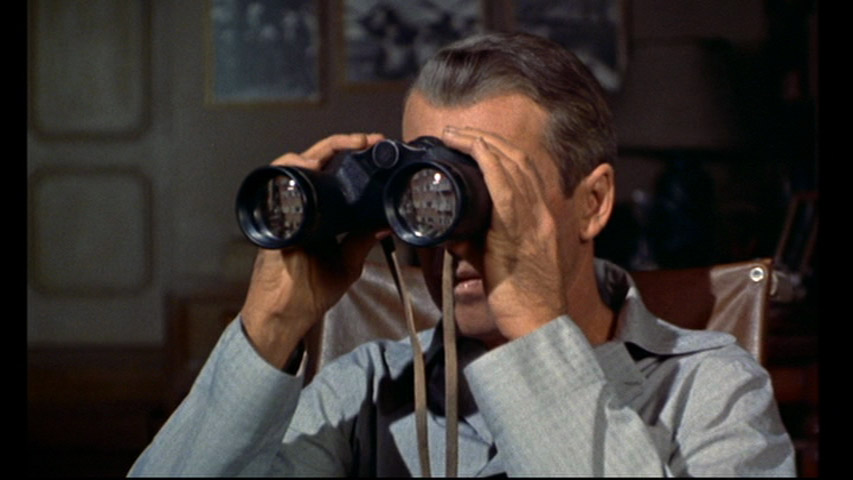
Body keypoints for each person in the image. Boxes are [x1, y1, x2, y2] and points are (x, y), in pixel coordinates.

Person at [129, 32, 795, 476]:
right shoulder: (365, 390)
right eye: (425, 190)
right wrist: (271, 326)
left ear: (592, 203)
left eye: (494, 189)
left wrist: (531, 327)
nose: (451, 234)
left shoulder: (711, 389)